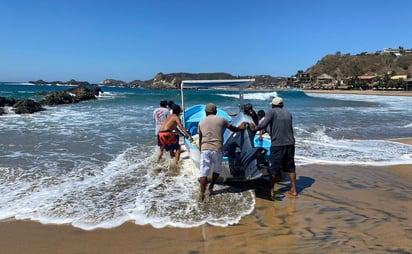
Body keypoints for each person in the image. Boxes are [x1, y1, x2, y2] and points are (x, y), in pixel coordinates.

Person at [249, 97, 297, 199]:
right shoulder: (288, 113)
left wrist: (254, 129)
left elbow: (263, 124)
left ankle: (271, 191)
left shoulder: (271, 112)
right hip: (290, 143)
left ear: (272, 105)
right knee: (291, 167)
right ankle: (294, 190)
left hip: (278, 144)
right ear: (282, 105)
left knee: (273, 168)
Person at [198, 103, 247, 201]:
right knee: (217, 170)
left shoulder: (201, 122)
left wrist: (201, 149)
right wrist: (241, 128)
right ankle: (211, 187)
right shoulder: (221, 119)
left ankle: (202, 194)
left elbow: (200, 138)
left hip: (205, 148)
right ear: (216, 112)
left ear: (206, 112)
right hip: (217, 148)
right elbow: (233, 129)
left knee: (204, 173)